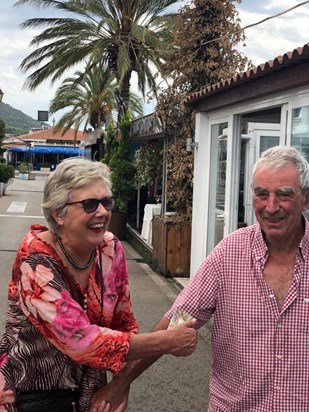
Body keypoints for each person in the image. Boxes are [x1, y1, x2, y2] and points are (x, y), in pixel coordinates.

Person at [92, 145, 309, 411]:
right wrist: (121, 382)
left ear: (306, 199)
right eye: (261, 194)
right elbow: (179, 318)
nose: (271, 207)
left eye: (284, 195)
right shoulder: (230, 254)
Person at [0, 158, 197, 412]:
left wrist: (120, 385)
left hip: (90, 396)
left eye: (107, 202)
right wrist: (167, 342)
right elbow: (81, 341)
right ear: (57, 213)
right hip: (32, 396)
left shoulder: (110, 248)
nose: (103, 212)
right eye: (90, 204)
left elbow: (124, 324)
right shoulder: (34, 261)